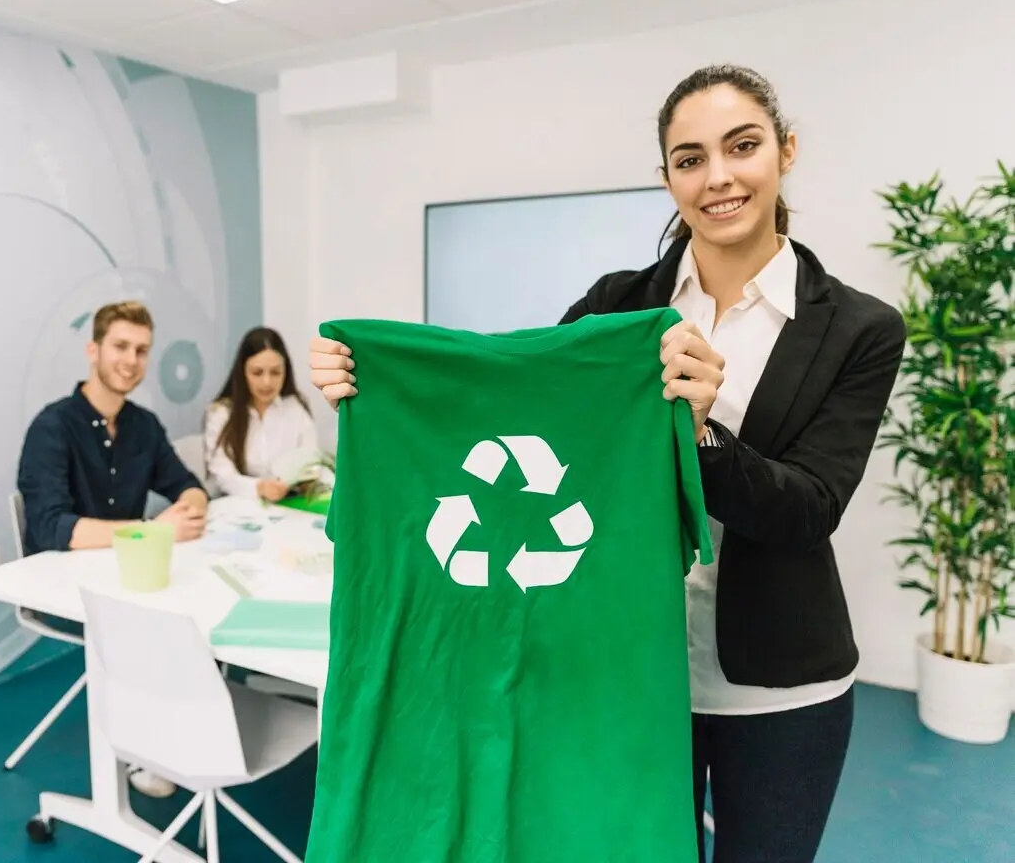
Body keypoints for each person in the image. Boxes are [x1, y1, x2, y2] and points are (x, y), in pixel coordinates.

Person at [306, 64, 905, 863]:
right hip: (618, 666)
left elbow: (810, 507)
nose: (717, 176)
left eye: (742, 146)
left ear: (786, 151)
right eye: (690, 158)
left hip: (779, 684)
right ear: (666, 179)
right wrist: (374, 383)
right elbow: (510, 401)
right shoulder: (617, 307)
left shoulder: (859, 329)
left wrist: (700, 435)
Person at [17, 298, 208, 799]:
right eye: (121, 346)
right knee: (168, 621)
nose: (131, 360)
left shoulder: (144, 425)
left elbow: (186, 483)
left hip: (134, 575)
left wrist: (190, 503)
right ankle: (148, 748)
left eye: (142, 350)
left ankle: (184, 735)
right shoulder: (52, 427)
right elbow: (55, 529)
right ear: (93, 350)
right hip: (69, 585)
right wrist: (152, 528)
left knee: (194, 603)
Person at [203, 326, 318, 502]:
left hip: (288, 504)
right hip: (237, 504)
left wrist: (303, 481)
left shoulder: (296, 409)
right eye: (257, 373)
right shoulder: (221, 413)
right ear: (243, 373)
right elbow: (221, 473)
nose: (267, 382)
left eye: (275, 372)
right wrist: (258, 488)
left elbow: (311, 460)